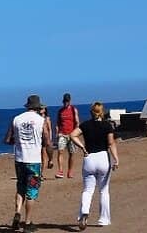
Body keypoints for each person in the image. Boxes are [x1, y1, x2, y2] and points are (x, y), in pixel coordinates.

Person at [4, 93, 52, 232]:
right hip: (34, 160)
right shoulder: (40, 120)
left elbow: (7, 139)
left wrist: (19, 141)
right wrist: (50, 158)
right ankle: (28, 221)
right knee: (32, 190)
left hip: (19, 160)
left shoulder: (16, 119)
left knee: (20, 187)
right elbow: (47, 141)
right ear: (38, 107)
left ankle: (17, 212)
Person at [69, 101, 119, 229]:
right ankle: (103, 219)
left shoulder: (85, 125)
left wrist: (82, 147)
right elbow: (111, 143)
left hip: (89, 158)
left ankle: (83, 213)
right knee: (103, 191)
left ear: (91, 112)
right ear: (102, 112)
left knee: (87, 190)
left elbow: (72, 135)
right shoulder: (107, 125)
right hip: (103, 158)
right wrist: (116, 159)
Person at [55, 94, 80, 178]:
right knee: (60, 151)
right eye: (65, 101)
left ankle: (70, 171)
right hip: (63, 134)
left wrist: (76, 132)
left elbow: (77, 122)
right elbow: (58, 123)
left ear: (70, 101)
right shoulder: (60, 111)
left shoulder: (73, 110)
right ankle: (60, 171)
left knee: (72, 153)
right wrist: (57, 132)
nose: (66, 103)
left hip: (72, 134)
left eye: (67, 101)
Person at [39, 105, 55, 172]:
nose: (40, 110)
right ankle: (41, 173)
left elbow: (50, 129)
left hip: (47, 138)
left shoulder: (47, 118)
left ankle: (50, 161)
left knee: (47, 154)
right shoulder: (38, 118)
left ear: (45, 110)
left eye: (42, 108)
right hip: (41, 138)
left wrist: (50, 138)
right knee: (43, 156)